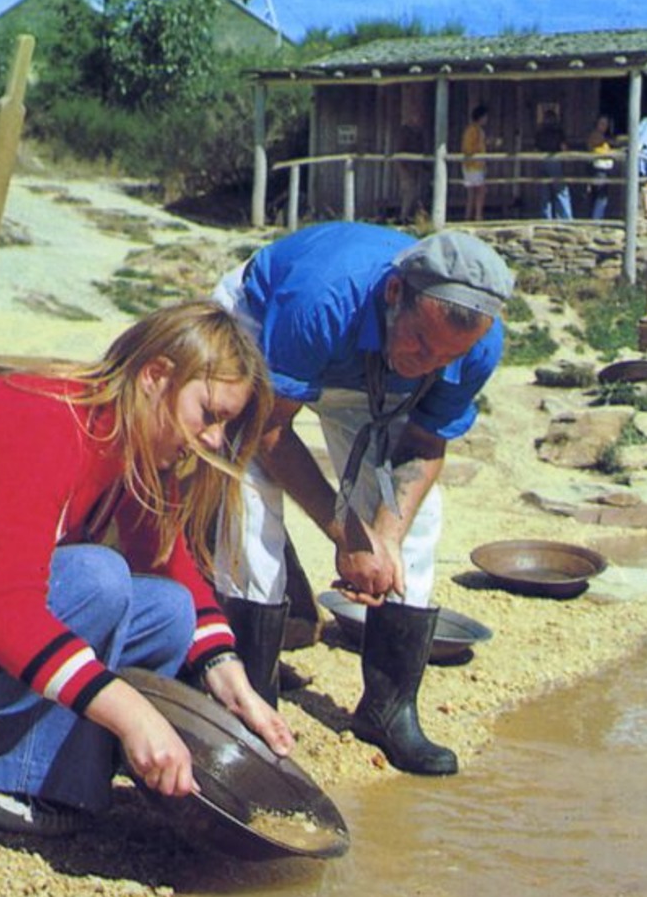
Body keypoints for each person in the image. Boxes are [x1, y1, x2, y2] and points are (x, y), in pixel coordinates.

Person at [0, 302, 293, 836]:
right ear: (156, 376)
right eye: (211, 414)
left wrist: (230, 677)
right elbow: (5, 612)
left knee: (169, 610)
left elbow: (171, 568)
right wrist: (132, 713)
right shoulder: (47, 428)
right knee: (97, 580)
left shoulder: (127, 436)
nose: (215, 440)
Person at [211, 224, 514, 775]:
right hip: (271, 331)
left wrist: (385, 538)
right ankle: (249, 705)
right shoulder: (321, 297)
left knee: (419, 521)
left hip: (372, 366)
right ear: (395, 293)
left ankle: (388, 709)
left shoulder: (471, 346)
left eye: (447, 356)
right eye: (421, 341)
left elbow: (425, 443)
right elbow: (270, 430)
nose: (429, 362)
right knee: (250, 499)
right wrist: (348, 536)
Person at [536, 119, 573, 220]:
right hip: (554, 159)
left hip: (542, 160)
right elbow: (563, 147)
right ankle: (564, 218)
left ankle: (545, 218)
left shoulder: (540, 133)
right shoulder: (558, 132)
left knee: (545, 192)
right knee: (560, 190)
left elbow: (536, 148)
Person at [582, 115, 616, 221]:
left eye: (606, 124)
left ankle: (596, 217)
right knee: (601, 195)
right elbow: (597, 145)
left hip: (603, 168)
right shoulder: (596, 136)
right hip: (598, 168)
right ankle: (596, 219)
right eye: (602, 124)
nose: (604, 126)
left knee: (600, 194)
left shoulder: (602, 137)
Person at [460, 105, 490, 222]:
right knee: (480, 190)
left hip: (474, 165)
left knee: (473, 192)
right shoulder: (473, 130)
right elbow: (468, 148)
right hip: (473, 165)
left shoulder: (477, 130)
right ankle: (477, 215)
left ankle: (469, 216)